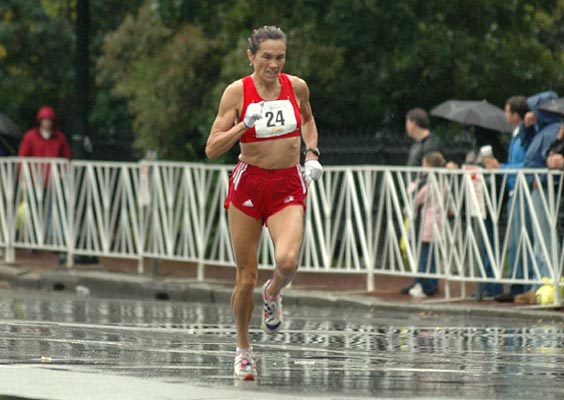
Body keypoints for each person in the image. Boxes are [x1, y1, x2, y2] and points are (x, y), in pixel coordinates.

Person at [205, 26, 323, 380]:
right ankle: (243, 349)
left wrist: (312, 153)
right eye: (267, 57)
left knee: (287, 261)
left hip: (287, 182)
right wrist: (244, 125)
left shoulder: (296, 86)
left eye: (280, 57)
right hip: (249, 184)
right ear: (251, 57)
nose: (274, 64)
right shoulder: (236, 92)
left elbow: (307, 119)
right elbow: (212, 148)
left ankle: (273, 293)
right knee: (246, 278)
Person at [483, 96, 534, 302]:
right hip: (514, 190)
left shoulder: (525, 136)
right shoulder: (516, 135)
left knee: (522, 240)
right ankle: (516, 285)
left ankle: (524, 285)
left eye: (507, 111)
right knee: (513, 243)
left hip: (522, 191)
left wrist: (501, 168)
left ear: (516, 114)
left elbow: (527, 165)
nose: (505, 115)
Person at [514, 91, 563, 305]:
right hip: (539, 188)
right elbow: (530, 150)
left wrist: (539, 176)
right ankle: (540, 288)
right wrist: (526, 127)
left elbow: (545, 159)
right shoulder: (544, 130)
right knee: (539, 242)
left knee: (545, 241)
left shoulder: (551, 130)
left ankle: (549, 287)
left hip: (545, 189)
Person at [406, 152, 448, 298]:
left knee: (424, 256)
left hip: (427, 225)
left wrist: (413, 185)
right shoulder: (444, 183)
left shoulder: (427, 186)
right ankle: (433, 283)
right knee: (434, 257)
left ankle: (425, 285)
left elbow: (415, 199)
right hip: (440, 224)